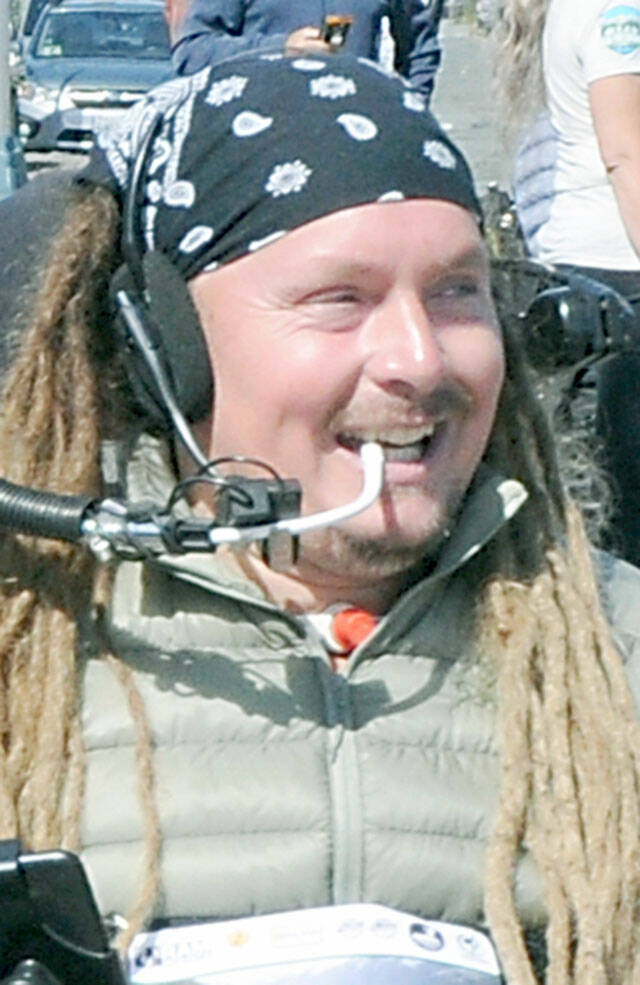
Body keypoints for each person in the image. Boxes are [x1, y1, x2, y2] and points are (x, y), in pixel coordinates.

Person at [2, 52, 640, 985]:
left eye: (458, 291)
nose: (420, 360)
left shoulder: (611, 642)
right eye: (339, 301)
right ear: (161, 346)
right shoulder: (26, 640)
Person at [497, 0, 640, 568]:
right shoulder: (615, 12)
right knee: (623, 501)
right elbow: (626, 151)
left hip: (587, 265)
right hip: (618, 268)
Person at [167, 0, 445, 102]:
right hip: (260, 143)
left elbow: (420, 47)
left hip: (355, 144)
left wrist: (411, 106)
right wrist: (281, 48)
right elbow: (192, 52)